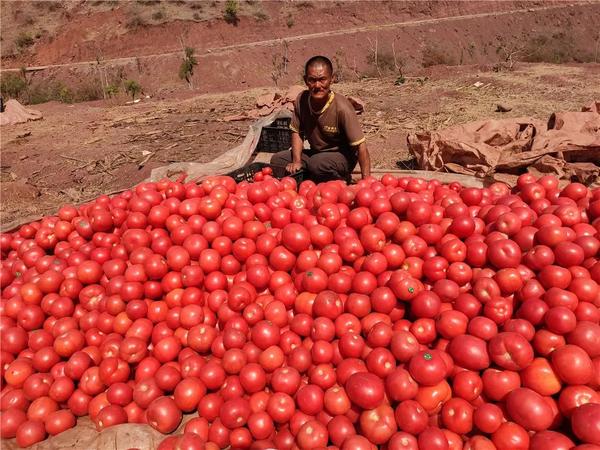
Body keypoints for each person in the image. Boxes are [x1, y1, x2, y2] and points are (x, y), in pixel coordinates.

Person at [271, 55, 371, 182]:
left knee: (317, 164)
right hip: (316, 155)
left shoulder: (342, 107)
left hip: (341, 158)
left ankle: (340, 179)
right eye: (312, 80)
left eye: (322, 79)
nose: (317, 85)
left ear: (332, 79)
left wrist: (367, 181)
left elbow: (361, 146)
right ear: (305, 80)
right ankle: (311, 179)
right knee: (278, 160)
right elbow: (296, 132)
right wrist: (296, 161)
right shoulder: (301, 100)